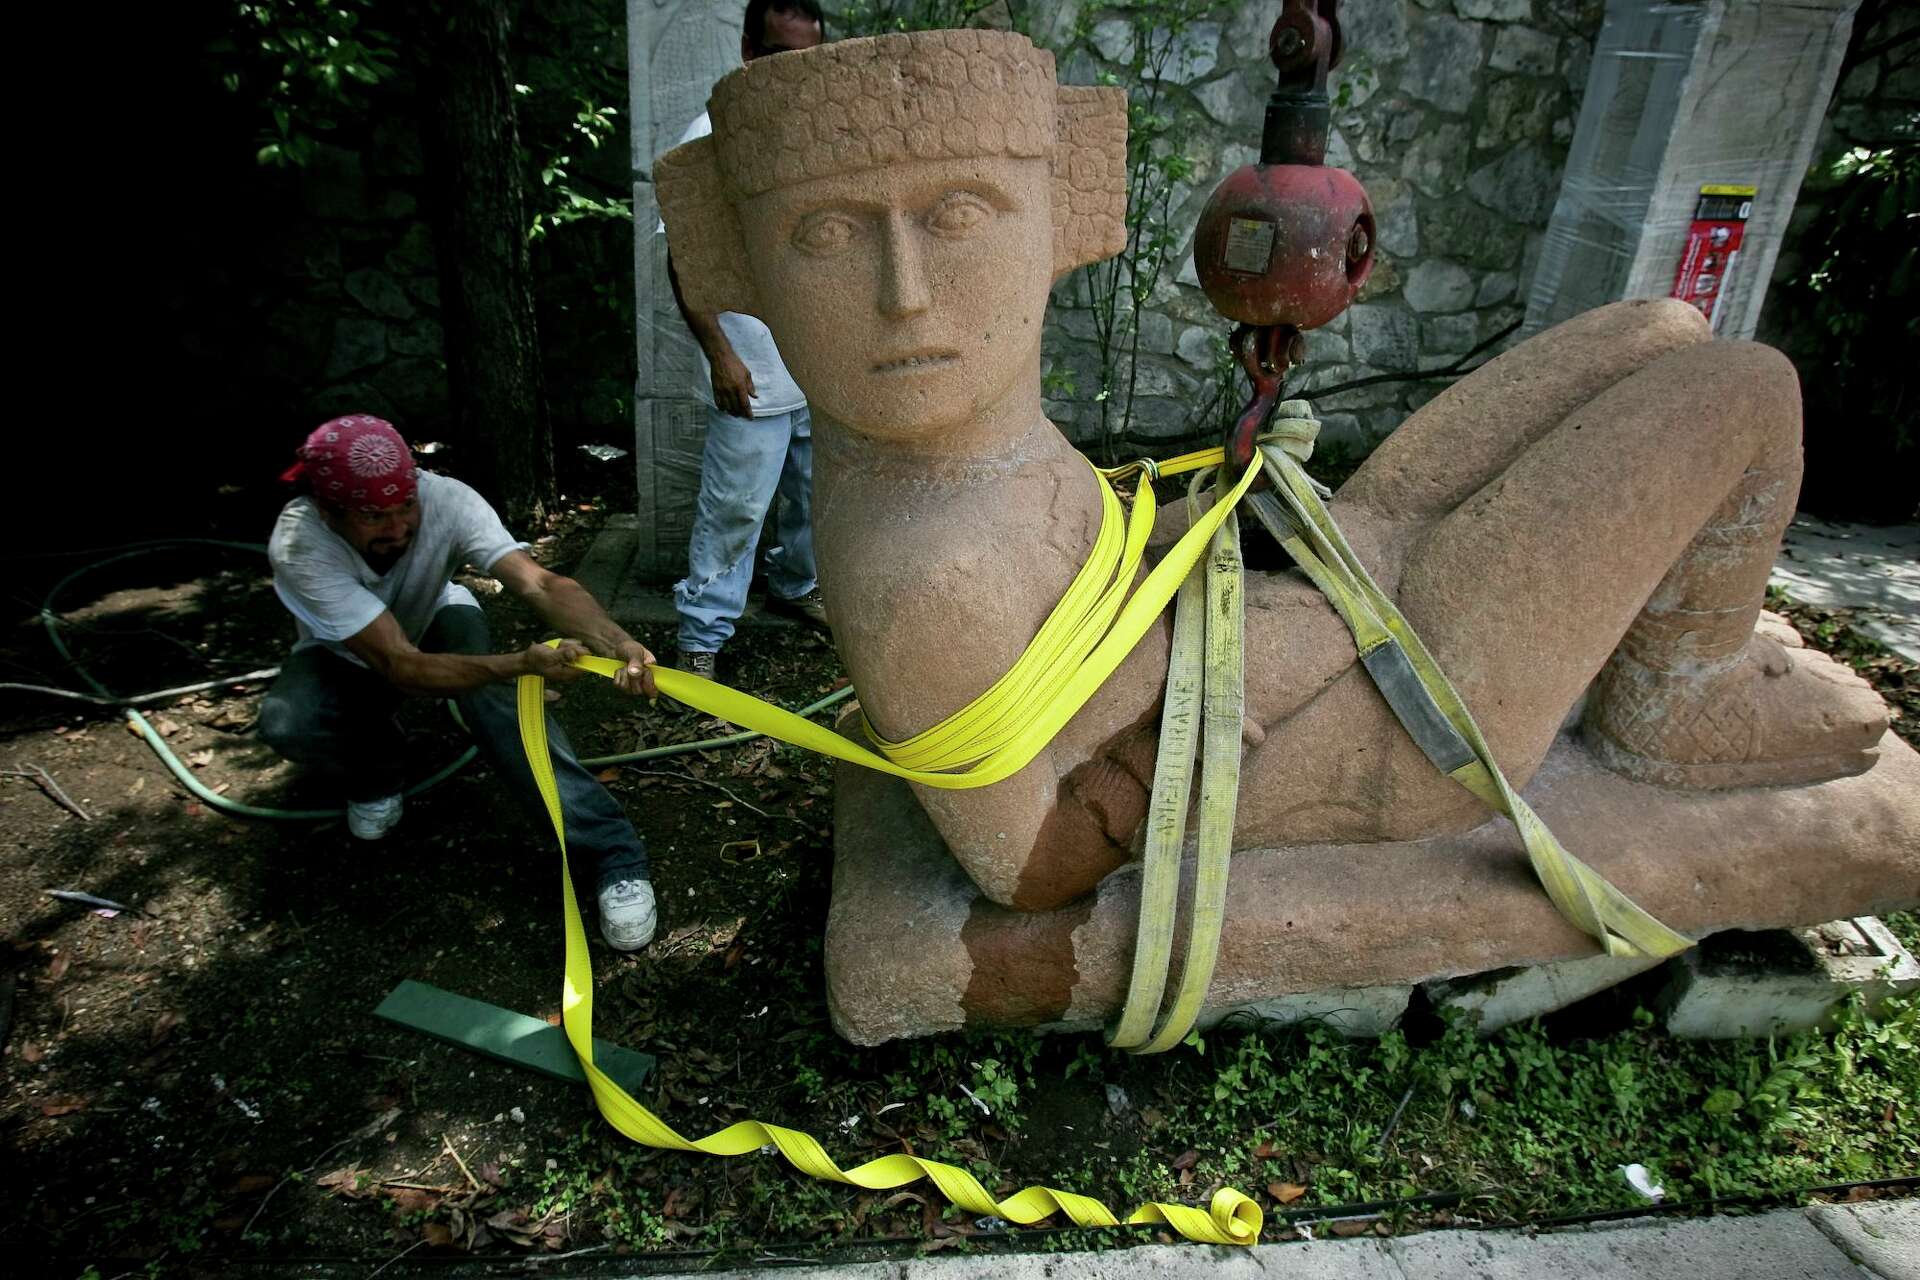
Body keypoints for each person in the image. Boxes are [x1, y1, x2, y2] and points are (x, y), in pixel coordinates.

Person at [655, 30, 1889, 912]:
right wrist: (1286, 635)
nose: (906, 295)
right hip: (1407, 707)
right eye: (824, 233)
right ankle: (1680, 688)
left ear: (1068, 210)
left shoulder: (976, 456)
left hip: (1329, 610)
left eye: (960, 215)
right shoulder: (920, 565)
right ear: (732, 257)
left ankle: (1644, 638)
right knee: (1744, 387)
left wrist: (1222, 514)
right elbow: (1027, 863)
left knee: (1659, 329)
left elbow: (1097, 561)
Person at [259, 414, 662, 950]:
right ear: (329, 512)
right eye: (374, 516)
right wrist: (518, 663)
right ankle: (378, 771)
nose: (398, 526)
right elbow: (400, 665)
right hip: (347, 649)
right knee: (293, 722)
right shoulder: (300, 543)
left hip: (436, 616)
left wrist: (616, 641)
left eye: (406, 505)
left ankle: (612, 854)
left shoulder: (447, 498)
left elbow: (538, 581)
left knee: (498, 705)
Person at [663, 0, 830, 684]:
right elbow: (684, 258)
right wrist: (720, 356)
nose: (795, 73)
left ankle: (796, 585)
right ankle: (701, 635)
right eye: (780, 56)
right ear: (748, 50)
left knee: (816, 495)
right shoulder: (710, 139)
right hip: (752, 372)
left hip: (816, 364)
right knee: (734, 508)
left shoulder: (820, 131)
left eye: (808, 58)